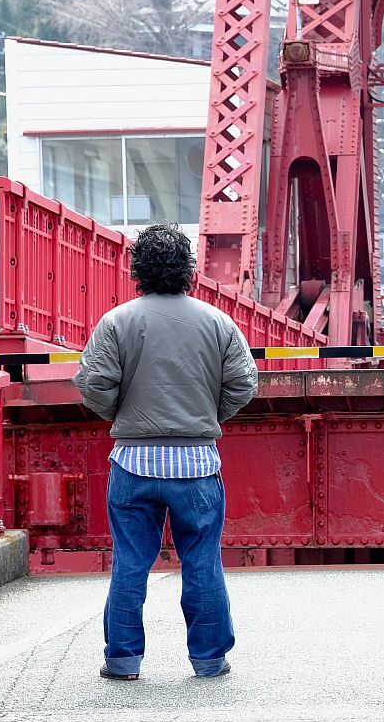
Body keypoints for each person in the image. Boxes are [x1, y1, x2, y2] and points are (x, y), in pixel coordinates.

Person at [73, 223, 258, 681]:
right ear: (188, 269)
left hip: (133, 463)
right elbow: (244, 383)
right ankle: (209, 659)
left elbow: (92, 384)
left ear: (138, 269)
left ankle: (122, 659)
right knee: (202, 562)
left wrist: (121, 414)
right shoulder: (216, 321)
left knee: (130, 563)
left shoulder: (116, 321)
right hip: (196, 465)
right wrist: (208, 415)